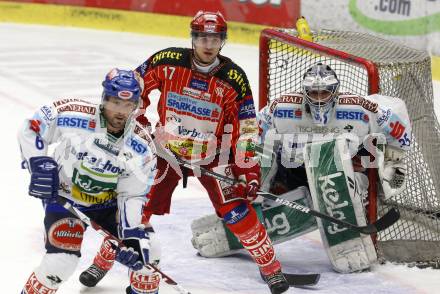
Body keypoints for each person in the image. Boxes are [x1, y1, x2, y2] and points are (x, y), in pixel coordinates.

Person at [81, 10, 290, 294]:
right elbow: (132, 89)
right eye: (203, 37)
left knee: (237, 211)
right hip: (165, 151)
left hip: (214, 155)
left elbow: (247, 129)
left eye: (215, 38)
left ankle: (270, 267)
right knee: (133, 208)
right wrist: (139, 127)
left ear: (223, 41)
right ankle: (103, 260)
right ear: (193, 38)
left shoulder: (234, 79)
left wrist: (248, 171)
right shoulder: (166, 62)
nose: (208, 44)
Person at [190, 62, 412, 273]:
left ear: (335, 92)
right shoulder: (281, 107)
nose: (318, 99)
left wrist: (395, 157)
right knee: (261, 153)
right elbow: (251, 133)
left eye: (324, 93)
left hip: (346, 175)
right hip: (293, 172)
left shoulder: (361, 108)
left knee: (330, 166)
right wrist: (250, 175)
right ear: (304, 92)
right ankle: (245, 217)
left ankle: (347, 243)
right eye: (313, 93)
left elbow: (399, 127)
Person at [19, 69, 161, 294]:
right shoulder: (73, 114)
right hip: (66, 199)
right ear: (104, 98)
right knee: (60, 263)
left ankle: (112, 249)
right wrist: (37, 162)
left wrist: (131, 238)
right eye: (115, 102)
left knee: (148, 258)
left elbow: (132, 195)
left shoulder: (142, 147)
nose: (120, 111)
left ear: (136, 106)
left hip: (109, 205)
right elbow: (33, 127)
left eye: (128, 105)